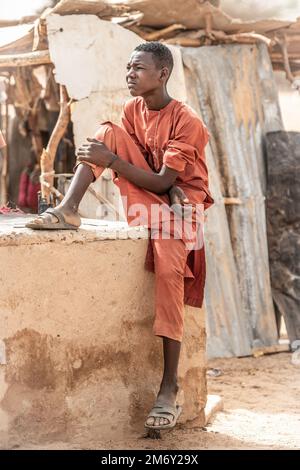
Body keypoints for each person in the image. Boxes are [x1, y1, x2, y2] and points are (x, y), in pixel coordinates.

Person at [26, 42, 214, 430]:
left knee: (168, 275)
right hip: (154, 193)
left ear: (162, 74)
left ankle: (168, 388)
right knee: (106, 132)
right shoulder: (132, 110)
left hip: (180, 204)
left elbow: (165, 179)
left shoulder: (187, 120)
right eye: (128, 67)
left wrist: (115, 163)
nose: (129, 73)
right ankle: (69, 210)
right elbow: (138, 166)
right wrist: (110, 156)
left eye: (138, 68)